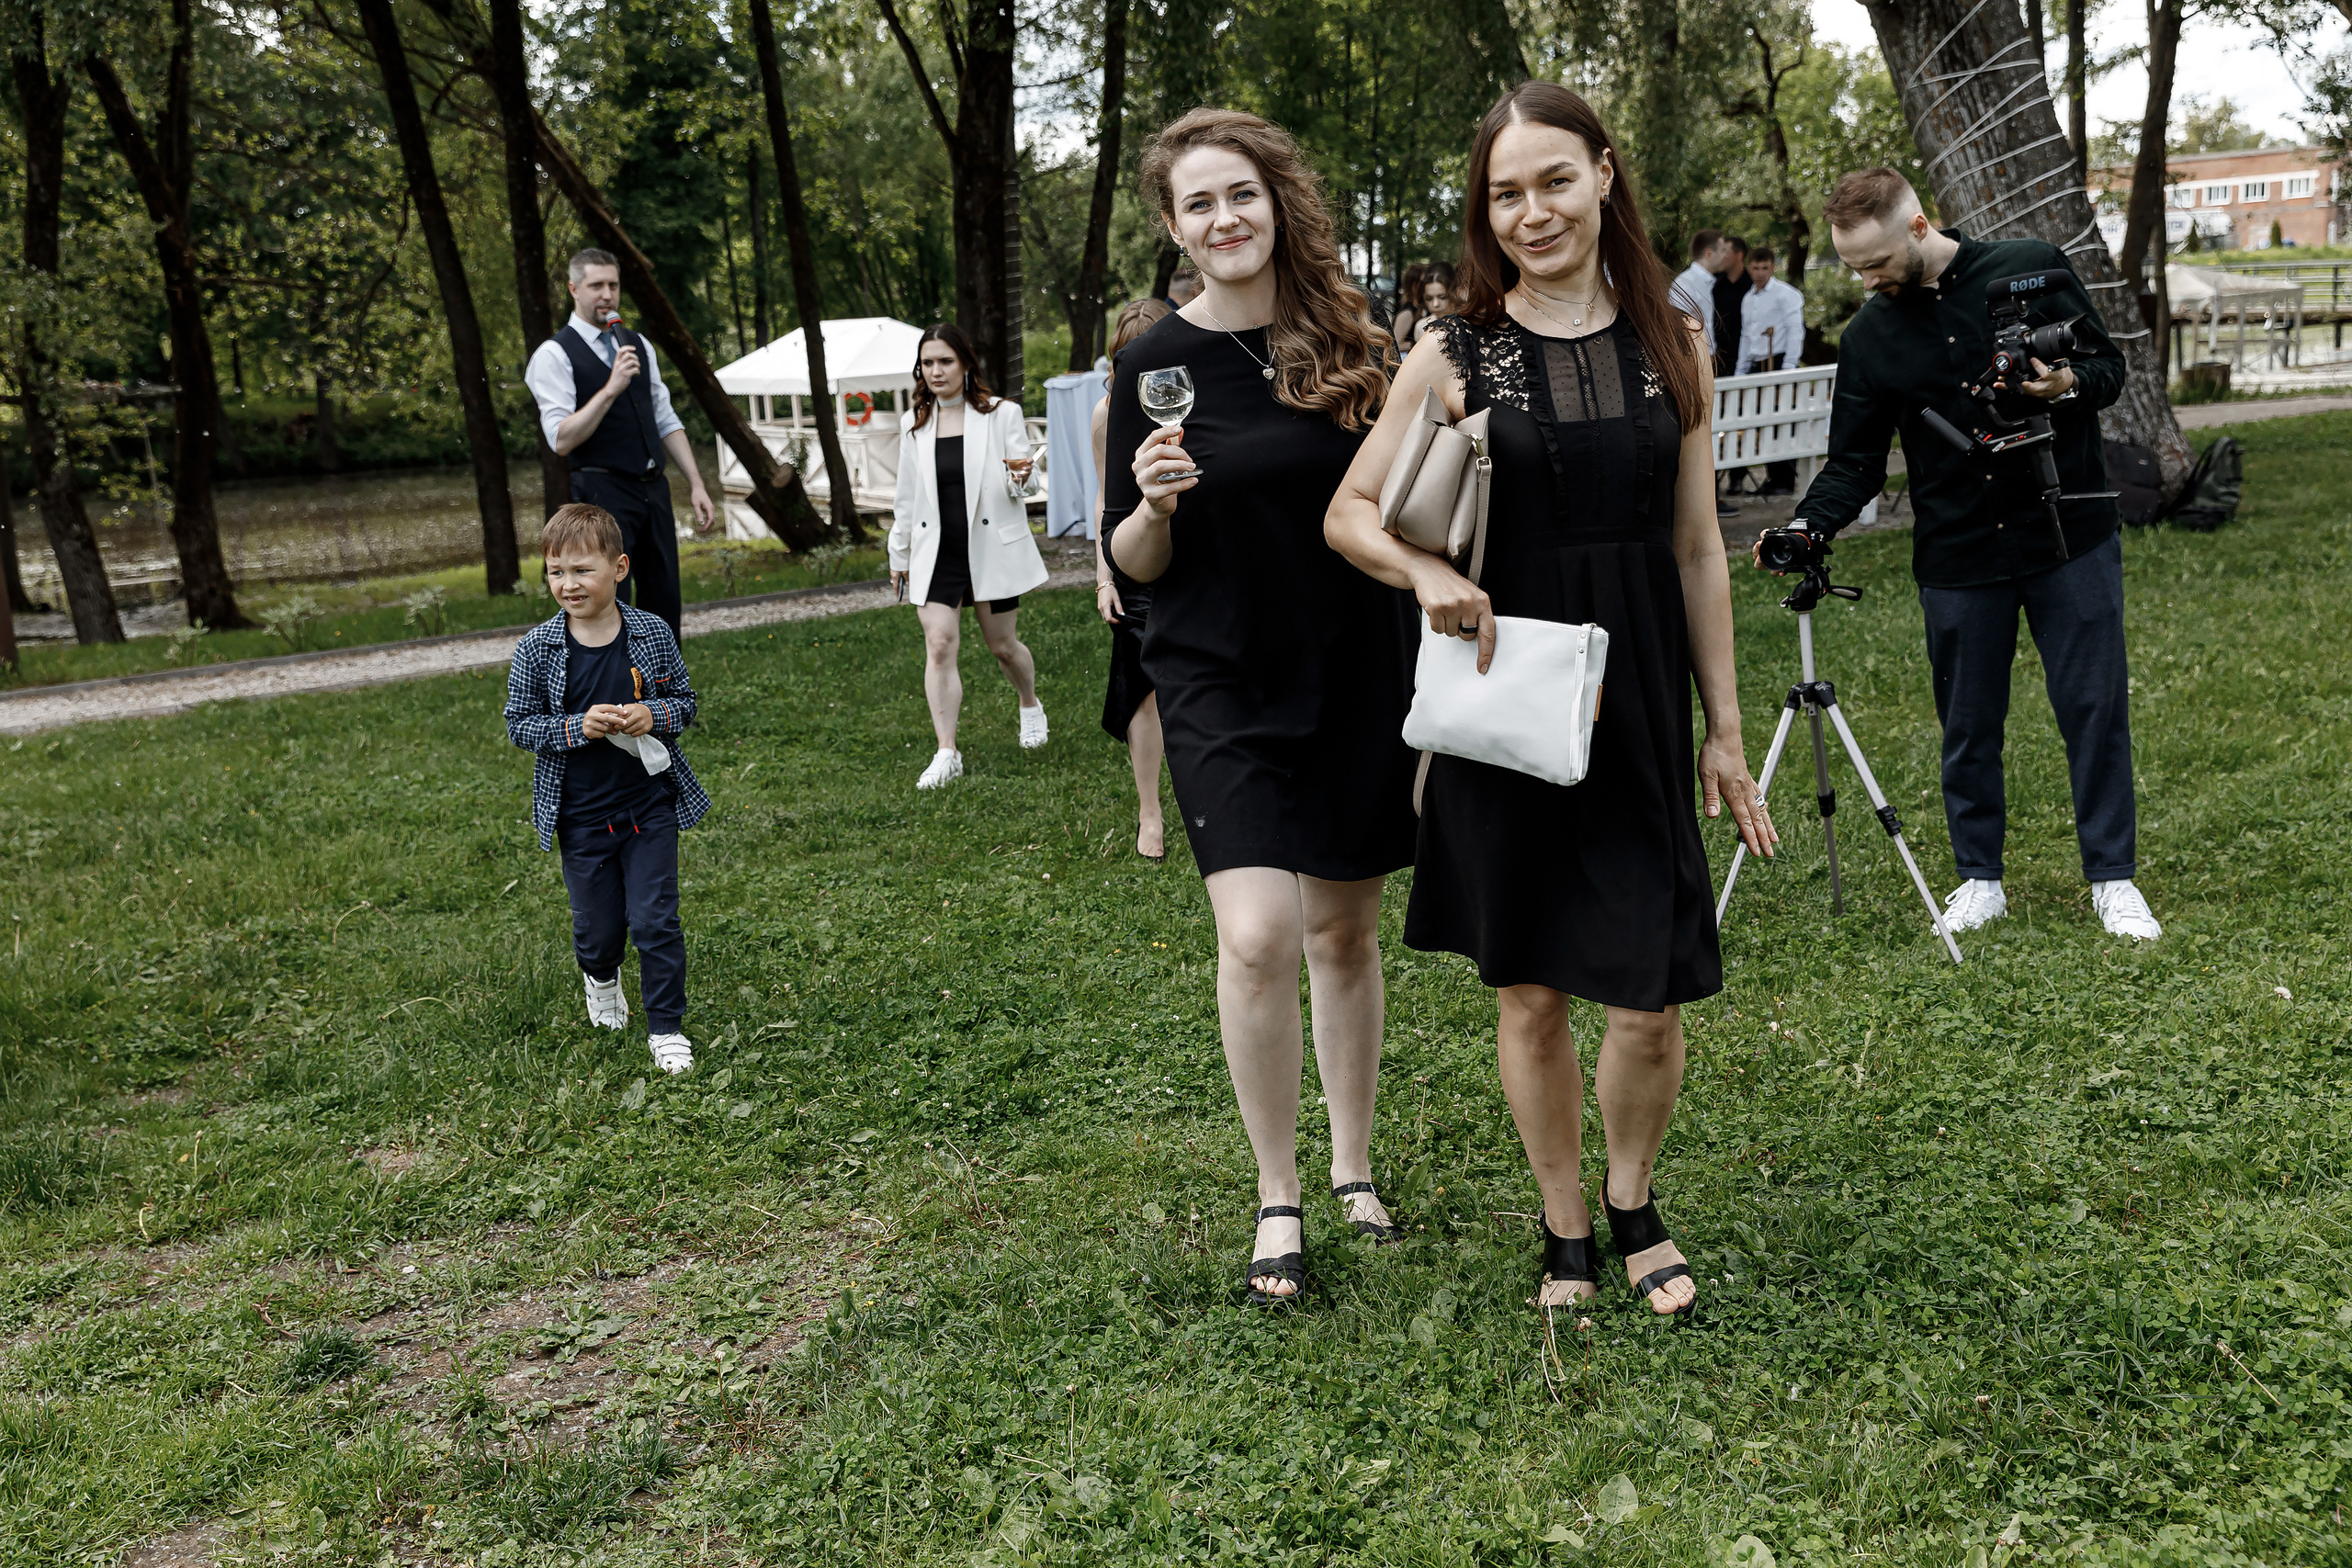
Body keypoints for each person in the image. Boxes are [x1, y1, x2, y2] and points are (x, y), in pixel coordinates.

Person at [1326, 81, 1776, 1320]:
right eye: (1504, 193)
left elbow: (1696, 549)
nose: (1531, 211)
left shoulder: (1678, 341)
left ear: (1604, 174)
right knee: (1530, 986)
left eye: (1553, 181)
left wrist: (1725, 731)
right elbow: (1349, 513)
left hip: (1635, 689)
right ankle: (1566, 1220)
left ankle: (1638, 1198)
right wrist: (1426, 575)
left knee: (1647, 988)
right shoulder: (1455, 349)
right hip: (1506, 688)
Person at [1103, 107, 1418, 1306]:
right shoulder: (1149, 365)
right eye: (1199, 204)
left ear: (1276, 199)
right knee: (1258, 934)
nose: (1224, 218)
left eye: (1241, 194)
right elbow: (1133, 565)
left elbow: (1405, 506)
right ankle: (1277, 1190)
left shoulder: (1352, 345)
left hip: (1351, 667)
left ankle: (1350, 1165)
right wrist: (1154, 504)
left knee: (1343, 929)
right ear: (1174, 227)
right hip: (1216, 673)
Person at [1772, 166, 2161, 942]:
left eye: (1875, 262)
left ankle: (2113, 879)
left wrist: (2063, 386)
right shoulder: (1870, 337)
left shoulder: (2030, 264)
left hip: (2069, 536)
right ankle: (1980, 877)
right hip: (1956, 551)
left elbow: (2109, 370)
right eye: (1853, 268)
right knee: (1969, 723)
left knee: (2093, 709)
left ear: (1917, 227)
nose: (1867, 280)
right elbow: (1854, 462)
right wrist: (1809, 527)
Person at [504, 502, 711, 1077]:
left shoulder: (651, 632)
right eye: (555, 572)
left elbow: (684, 704)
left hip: (648, 803)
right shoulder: (539, 648)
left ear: (619, 568)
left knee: (655, 920)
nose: (567, 585)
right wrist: (577, 726)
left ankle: (666, 1028)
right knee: (598, 930)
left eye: (582, 570)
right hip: (581, 814)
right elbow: (520, 724)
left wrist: (654, 715)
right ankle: (601, 978)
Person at [888, 323, 1050, 790]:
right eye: (928, 362)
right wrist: (898, 553)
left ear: (965, 364)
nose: (935, 371)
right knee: (938, 644)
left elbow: (1028, 485)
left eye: (945, 361)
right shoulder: (913, 423)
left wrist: (1020, 477)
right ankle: (946, 751)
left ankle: (1029, 703)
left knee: (1003, 646)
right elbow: (906, 498)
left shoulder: (1002, 415)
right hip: (937, 554)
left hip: (990, 550)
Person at [524, 250, 717, 638]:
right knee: (608, 603)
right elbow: (560, 438)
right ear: (574, 289)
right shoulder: (554, 354)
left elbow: (664, 419)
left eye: (613, 285)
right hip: (601, 492)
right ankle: (612, 692)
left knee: (664, 596)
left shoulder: (638, 345)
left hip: (653, 491)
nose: (607, 295)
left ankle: (664, 693)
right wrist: (610, 389)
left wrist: (696, 483)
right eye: (596, 286)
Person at [1091, 297, 1175, 861]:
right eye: (1129, 360)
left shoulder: (1199, 403)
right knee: (1142, 693)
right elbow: (1104, 499)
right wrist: (1105, 578)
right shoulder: (1106, 416)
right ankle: (1151, 813)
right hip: (1134, 563)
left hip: (1202, 561)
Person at [1734, 245, 1807, 496]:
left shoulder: (1786, 294)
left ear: (1773, 268)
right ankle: (1772, 477)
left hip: (1777, 360)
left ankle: (1784, 479)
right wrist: (1740, 371)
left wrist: (1788, 368)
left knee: (1781, 421)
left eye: (1765, 268)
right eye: (1755, 268)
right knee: (1762, 422)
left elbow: (1796, 331)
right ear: (1749, 268)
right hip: (1757, 362)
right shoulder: (1748, 298)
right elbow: (1746, 335)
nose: (1760, 273)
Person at [1668, 229, 1727, 359]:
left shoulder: (1706, 282)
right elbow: (1676, 325)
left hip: (1705, 357)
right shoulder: (1686, 283)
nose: (1725, 255)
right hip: (1692, 358)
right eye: (1723, 250)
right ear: (1709, 254)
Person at [1711, 235, 1750, 378]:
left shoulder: (1752, 286)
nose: (1721, 256)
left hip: (1745, 355)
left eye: (1725, 251)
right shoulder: (1714, 284)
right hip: (1719, 356)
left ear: (1739, 255)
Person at [1391, 261, 1430, 350]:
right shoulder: (1408, 312)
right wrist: (1417, 343)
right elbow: (1396, 344)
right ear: (1412, 284)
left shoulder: (1424, 308)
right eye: (1421, 283)